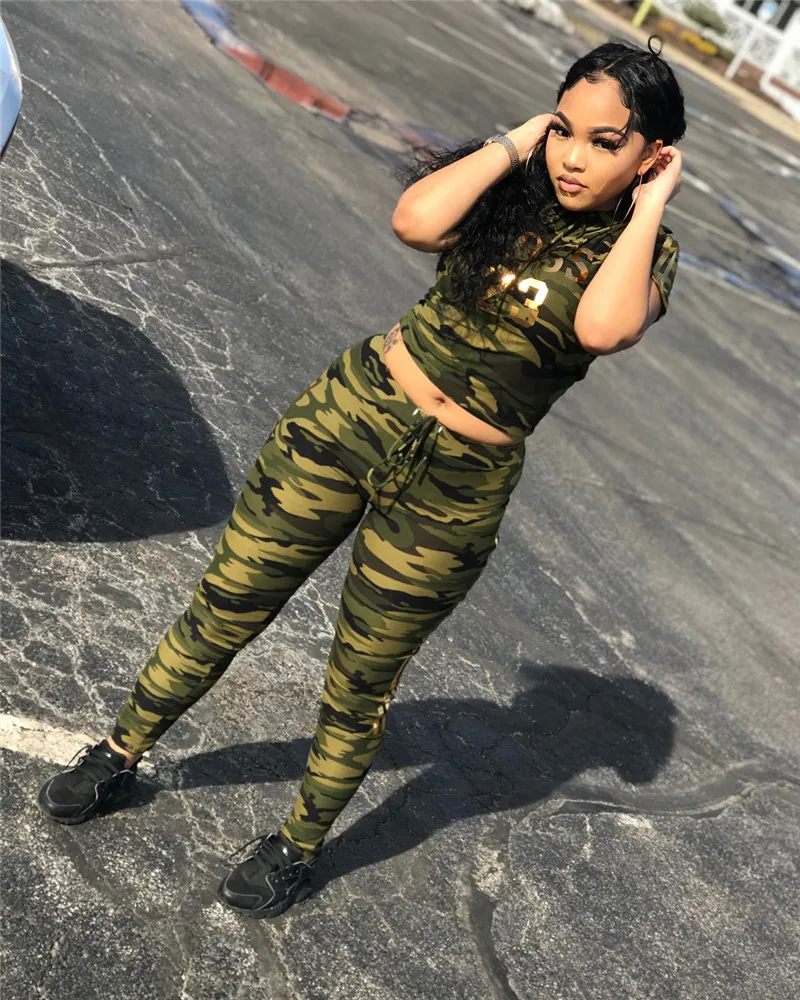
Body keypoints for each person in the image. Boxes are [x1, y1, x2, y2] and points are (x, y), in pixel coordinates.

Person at [38, 38, 685, 918]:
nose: (574, 156)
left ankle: (297, 846)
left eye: (605, 142)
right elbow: (414, 222)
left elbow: (605, 328)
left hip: (454, 491)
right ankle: (118, 752)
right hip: (353, 415)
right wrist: (516, 141)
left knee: (359, 682)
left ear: (650, 154)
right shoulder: (515, 185)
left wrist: (652, 203)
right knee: (228, 603)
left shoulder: (645, 253)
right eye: (566, 129)